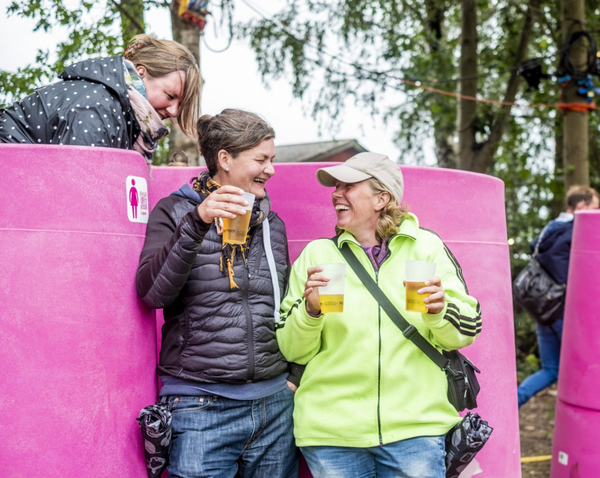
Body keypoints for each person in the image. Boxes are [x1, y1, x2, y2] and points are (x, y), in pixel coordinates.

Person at [276, 152, 482, 478]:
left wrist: (439, 312)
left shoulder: (425, 248)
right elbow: (292, 350)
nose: (335, 193)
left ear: (381, 198)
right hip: (332, 435)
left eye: (347, 185)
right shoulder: (320, 255)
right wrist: (311, 311)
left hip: (415, 431)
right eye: (335, 186)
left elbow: (466, 331)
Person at [136, 109, 300, 478]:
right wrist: (198, 222)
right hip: (200, 406)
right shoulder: (176, 211)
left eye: (272, 159)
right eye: (261, 159)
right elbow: (153, 293)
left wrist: (295, 377)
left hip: (274, 405)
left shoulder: (272, 223)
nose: (271, 169)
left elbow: (288, 304)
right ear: (225, 158)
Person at [0, 34, 200, 163]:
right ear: (140, 73)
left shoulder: (123, 116)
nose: (174, 111)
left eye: (180, 105)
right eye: (170, 96)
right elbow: (79, 192)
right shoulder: (97, 109)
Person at [517, 185, 599, 408]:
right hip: (564, 312)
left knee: (550, 369)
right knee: (589, 365)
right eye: (594, 208)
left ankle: (509, 405)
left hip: (543, 309)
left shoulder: (552, 226)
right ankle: (582, 419)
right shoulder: (577, 231)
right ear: (582, 207)